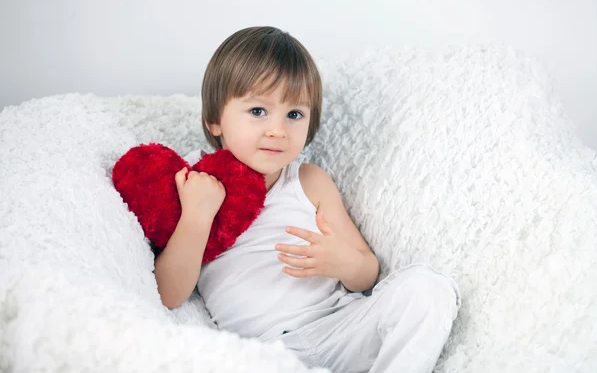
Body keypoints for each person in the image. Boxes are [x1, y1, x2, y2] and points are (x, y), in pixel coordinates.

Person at [153, 26, 461, 373]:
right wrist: (196, 217)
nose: (277, 130)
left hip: (340, 328)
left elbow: (367, 272)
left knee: (428, 288)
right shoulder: (193, 182)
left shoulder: (308, 181)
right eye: (258, 111)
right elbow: (168, 294)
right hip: (262, 353)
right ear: (214, 120)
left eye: (294, 114)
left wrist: (343, 262)